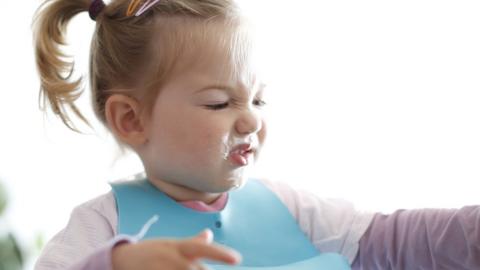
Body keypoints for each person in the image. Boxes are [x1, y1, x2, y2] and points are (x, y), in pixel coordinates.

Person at [32, 0, 480, 269]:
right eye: (219, 103)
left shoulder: (290, 209)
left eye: (259, 100)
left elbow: (393, 244)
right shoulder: (101, 226)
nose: (250, 122)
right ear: (131, 119)